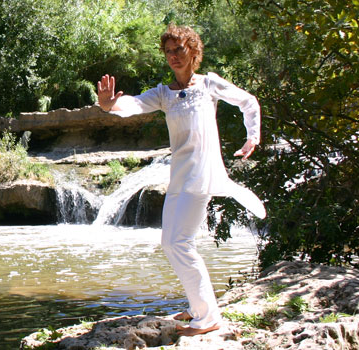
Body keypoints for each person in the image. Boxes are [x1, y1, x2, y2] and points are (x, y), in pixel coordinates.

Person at [96, 25, 266, 336]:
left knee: (179, 243)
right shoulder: (164, 93)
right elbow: (132, 104)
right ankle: (198, 306)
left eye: (179, 50)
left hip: (201, 173)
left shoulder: (208, 84)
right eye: (168, 51)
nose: (173, 56)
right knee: (171, 243)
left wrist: (251, 137)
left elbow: (249, 102)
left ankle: (208, 317)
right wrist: (108, 105)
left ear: (193, 52)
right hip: (179, 175)